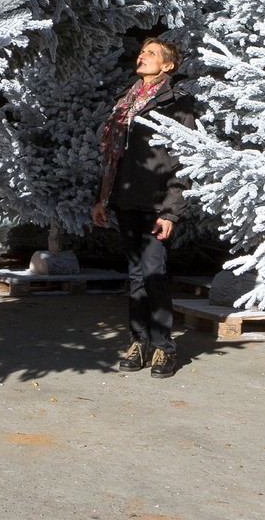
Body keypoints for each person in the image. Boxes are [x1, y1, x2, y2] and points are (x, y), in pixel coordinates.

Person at [91, 36, 196, 379]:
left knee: (154, 272)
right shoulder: (126, 102)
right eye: (142, 52)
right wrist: (102, 199)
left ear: (168, 66)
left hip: (156, 204)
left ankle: (164, 346)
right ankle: (139, 342)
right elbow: (113, 158)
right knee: (136, 275)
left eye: (152, 53)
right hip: (124, 200)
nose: (143, 56)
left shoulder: (177, 104)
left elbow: (185, 162)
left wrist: (171, 212)